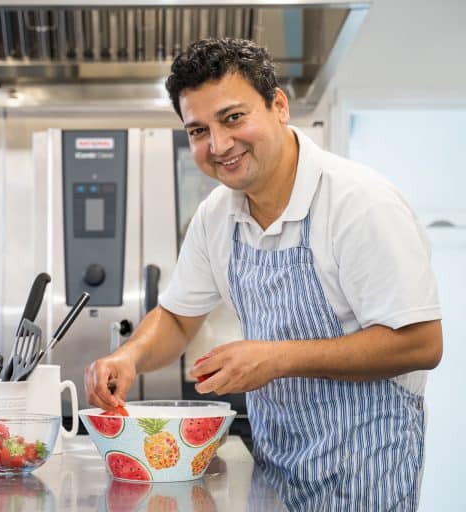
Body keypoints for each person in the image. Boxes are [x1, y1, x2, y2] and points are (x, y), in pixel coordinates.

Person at [84, 38, 442, 511]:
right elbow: (176, 318)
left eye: (233, 118)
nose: (219, 145)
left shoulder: (359, 204)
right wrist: (129, 357)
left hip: (365, 470)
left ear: (278, 107)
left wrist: (277, 358)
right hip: (275, 470)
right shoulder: (216, 215)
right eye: (197, 131)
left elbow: (421, 344)